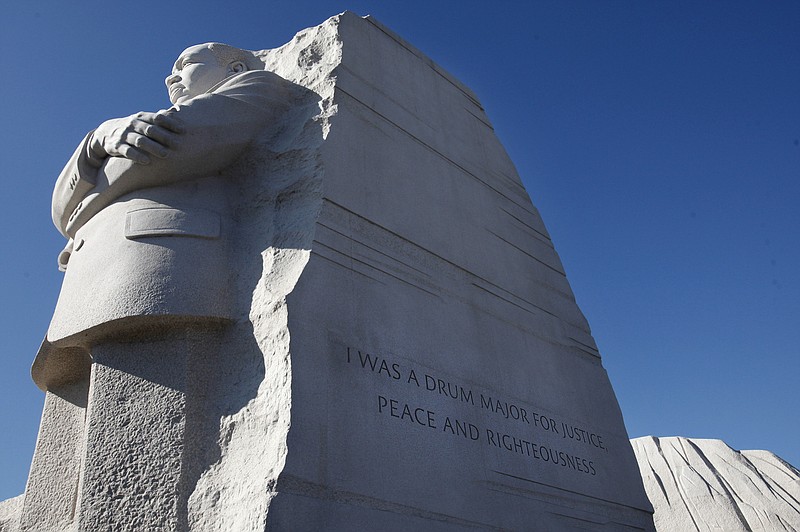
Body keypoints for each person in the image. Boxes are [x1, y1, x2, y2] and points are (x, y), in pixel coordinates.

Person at [33, 42, 301, 388]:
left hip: (158, 271)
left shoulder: (258, 85)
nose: (170, 76)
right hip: (90, 282)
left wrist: (80, 210)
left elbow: (168, 148)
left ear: (234, 70)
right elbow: (59, 211)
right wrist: (99, 139)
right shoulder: (123, 131)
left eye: (186, 63)